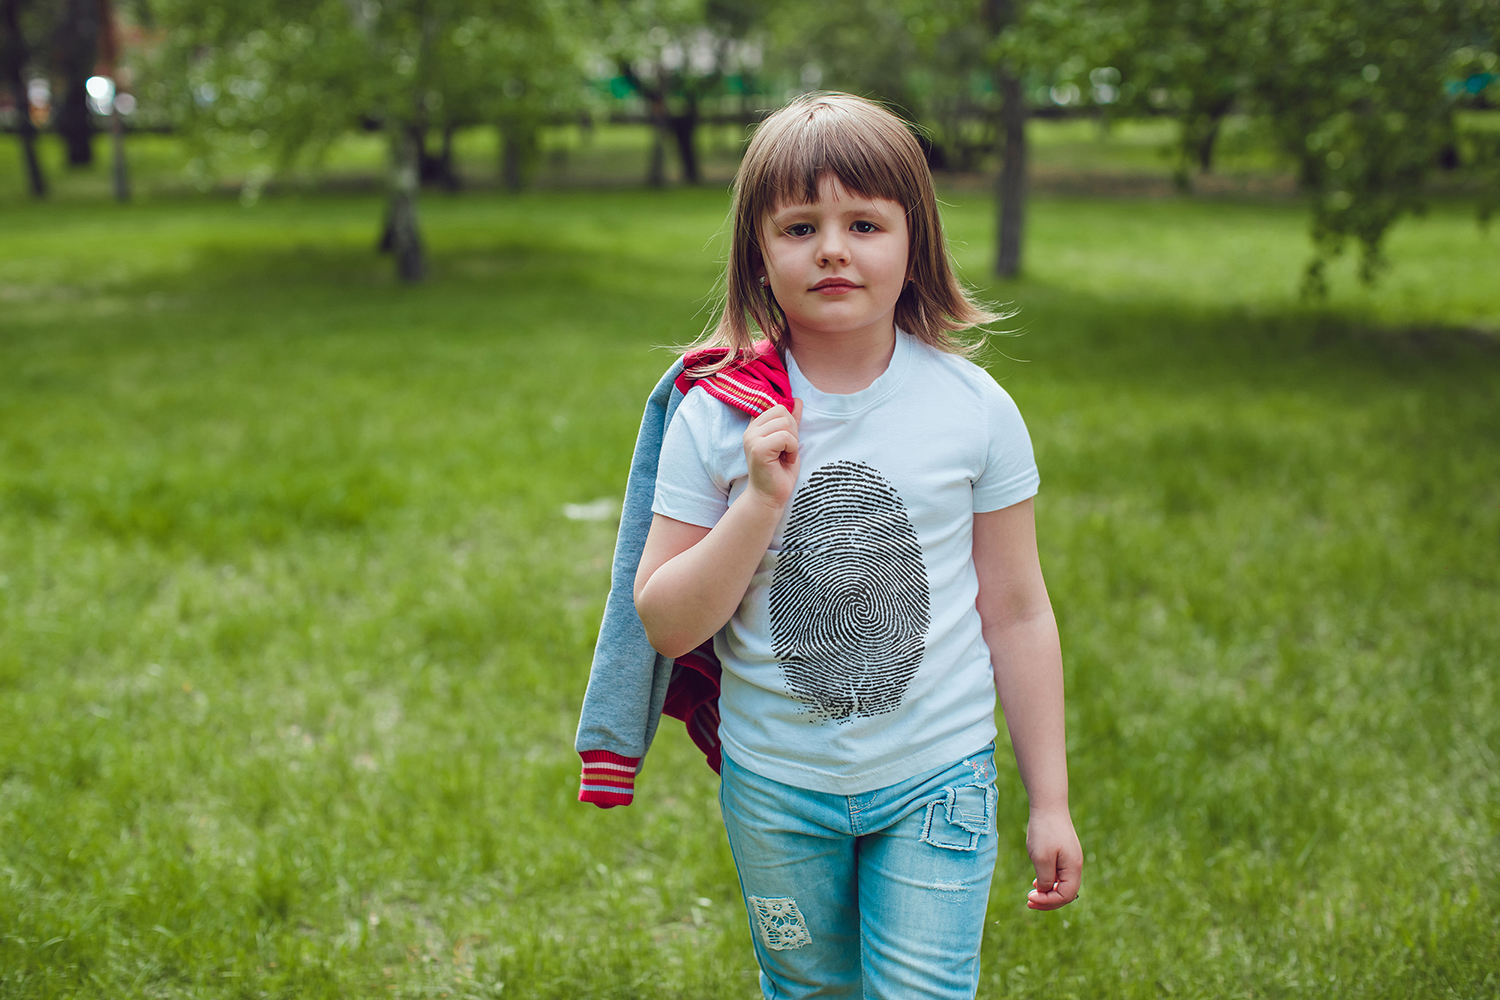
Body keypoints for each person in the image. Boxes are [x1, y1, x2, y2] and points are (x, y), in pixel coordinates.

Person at [632, 92, 1081, 999]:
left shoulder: (972, 410)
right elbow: (668, 624)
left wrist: (1052, 800)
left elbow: (1019, 609)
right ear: (758, 250)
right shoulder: (718, 419)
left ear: (914, 242)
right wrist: (758, 503)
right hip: (776, 791)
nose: (832, 248)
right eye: (800, 225)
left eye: (865, 222)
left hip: (937, 779)